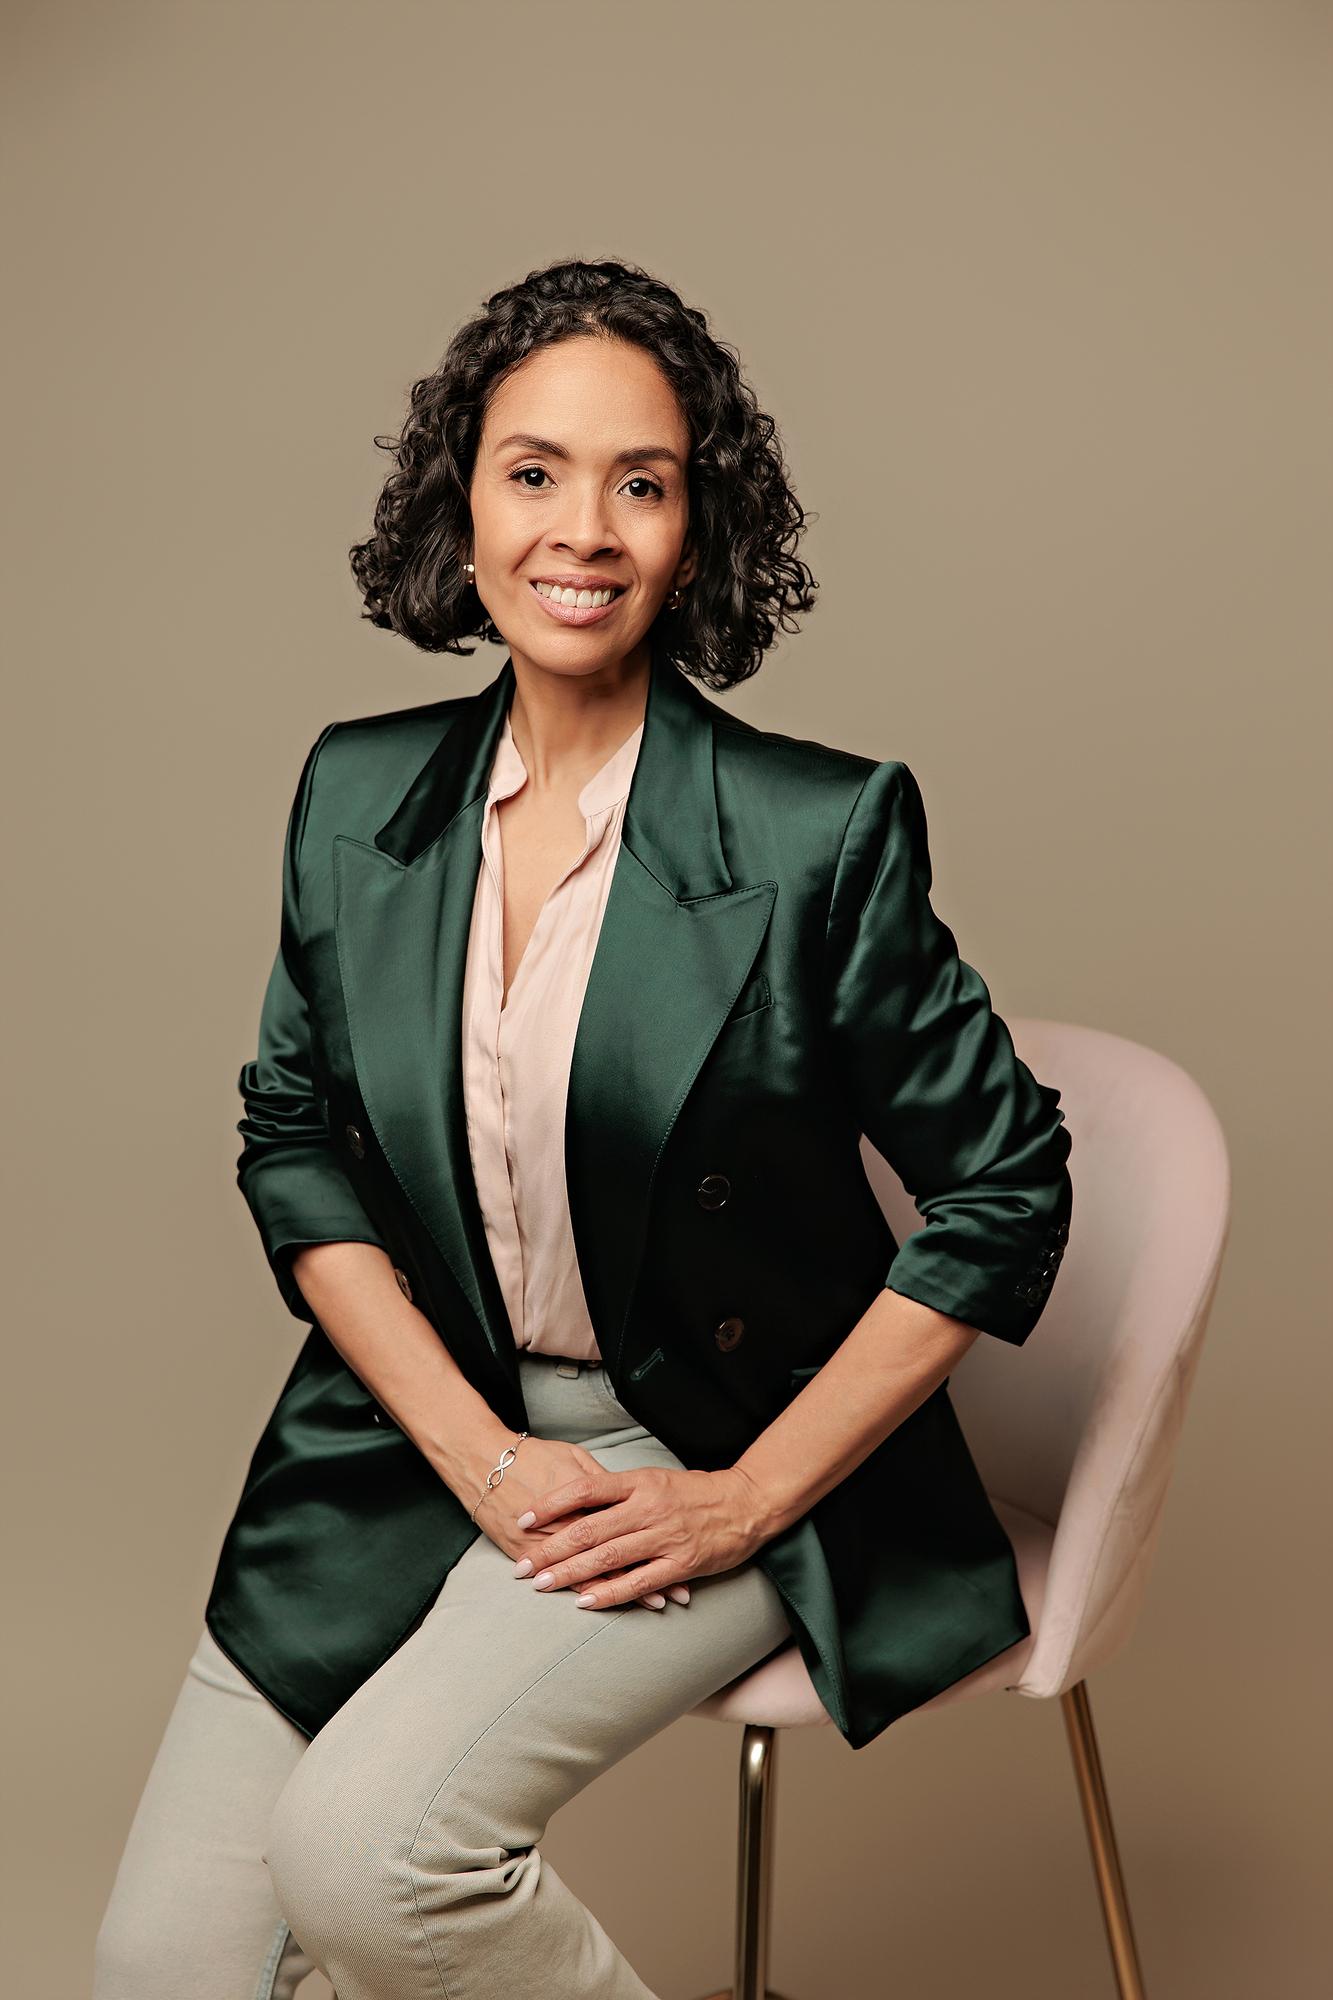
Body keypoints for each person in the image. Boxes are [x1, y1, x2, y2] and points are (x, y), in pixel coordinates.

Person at [95, 256, 1073, 2000]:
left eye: (643, 481)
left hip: (691, 1446)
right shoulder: (352, 794)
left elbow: (1004, 1185)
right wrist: (475, 1452)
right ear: (458, 503)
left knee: (374, 1869)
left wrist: (743, 1501)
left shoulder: (814, 833)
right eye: (533, 471)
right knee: (163, 1971)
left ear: (699, 529)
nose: (585, 529)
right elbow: (294, 1140)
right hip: (415, 1436)